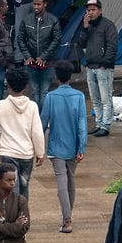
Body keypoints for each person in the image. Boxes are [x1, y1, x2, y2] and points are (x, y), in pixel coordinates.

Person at [0, 67, 45, 200]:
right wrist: (40, 152)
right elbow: (37, 132)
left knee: (10, 187)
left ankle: (12, 216)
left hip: (8, 154)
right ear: (25, 85)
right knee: (24, 186)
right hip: (26, 154)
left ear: (8, 85)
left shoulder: (0, 106)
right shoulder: (32, 106)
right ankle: (23, 215)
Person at [40, 60, 87, 233]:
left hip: (56, 146)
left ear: (56, 76)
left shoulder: (51, 97)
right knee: (71, 180)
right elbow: (82, 125)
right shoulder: (79, 96)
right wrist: (81, 147)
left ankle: (67, 219)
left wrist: (38, 147)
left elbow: (43, 123)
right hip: (74, 146)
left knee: (61, 180)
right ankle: (68, 216)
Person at [76, 0, 118, 137]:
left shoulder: (108, 25)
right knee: (95, 98)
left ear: (100, 10)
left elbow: (112, 45)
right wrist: (85, 28)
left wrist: (105, 63)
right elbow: (81, 43)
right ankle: (99, 123)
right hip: (90, 66)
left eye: (93, 10)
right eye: (89, 10)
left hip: (103, 67)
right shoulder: (87, 26)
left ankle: (105, 126)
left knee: (106, 98)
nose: (91, 13)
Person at [16, 0, 60, 109]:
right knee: (35, 93)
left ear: (45, 4)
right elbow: (20, 38)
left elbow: (56, 40)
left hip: (48, 63)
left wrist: (44, 57)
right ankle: (37, 120)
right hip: (31, 64)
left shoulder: (53, 20)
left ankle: (43, 121)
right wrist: (27, 55)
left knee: (44, 92)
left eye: (39, 4)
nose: (36, 7)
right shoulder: (27, 20)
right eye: (34, 4)